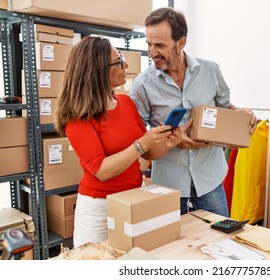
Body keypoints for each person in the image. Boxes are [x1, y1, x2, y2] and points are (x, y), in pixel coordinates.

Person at [55, 36, 181, 248]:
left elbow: (147, 154)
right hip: (99, 209)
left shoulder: (126, 102)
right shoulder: (78, 116)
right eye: (118, 61)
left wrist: (169, 142)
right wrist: (142, 143)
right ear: (96, 71)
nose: (126, 64)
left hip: (135, 198)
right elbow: (101, 171)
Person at [129, 7, 256, 217]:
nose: (152, 52)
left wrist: (242, 114)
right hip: (168, 184)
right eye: (149, 44)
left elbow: (226, 108)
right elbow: (139, 140)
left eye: (160, 45)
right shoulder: (142, 85)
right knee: (171, 246)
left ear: (181, 42)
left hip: (209, 178)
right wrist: (174, 142)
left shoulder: (210, 70)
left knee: (219, 239)